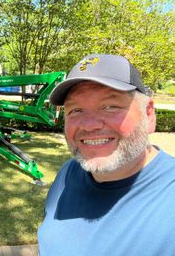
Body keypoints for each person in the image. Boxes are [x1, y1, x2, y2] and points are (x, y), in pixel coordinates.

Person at [38, 54, 175, 255]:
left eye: (110, 107)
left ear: (148, 114)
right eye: (75, 110)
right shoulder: (69, 172)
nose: (90, 125)